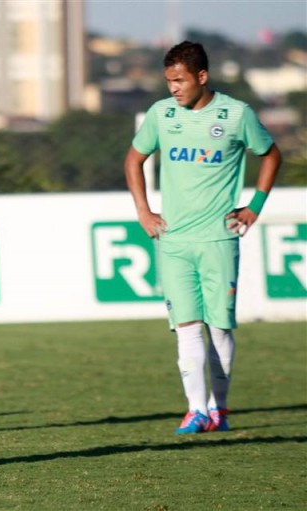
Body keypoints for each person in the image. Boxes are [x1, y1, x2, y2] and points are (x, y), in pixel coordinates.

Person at [124, 41, 281, 434]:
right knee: (188, 327)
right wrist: (144, 211)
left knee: (220, 328)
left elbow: (271, 154)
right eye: (168, 81)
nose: (173, 88)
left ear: (202, 77)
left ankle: (219, 409)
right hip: (173, 241)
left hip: (219, 240)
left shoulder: (236, 114)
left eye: (179, 80)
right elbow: (133, 159)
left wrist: (254, 206)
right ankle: (195, 410)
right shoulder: (162, 115)